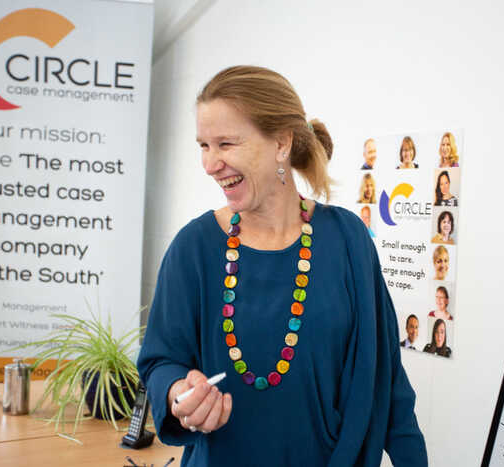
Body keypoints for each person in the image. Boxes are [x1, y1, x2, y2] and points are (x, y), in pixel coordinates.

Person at [137, 66, 427, 467]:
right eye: (204, 145)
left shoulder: (347, 240)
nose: (209, 163)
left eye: (226, 143)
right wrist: (177, 394)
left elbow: (389, 383)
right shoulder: (194, 248)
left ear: (281, 143)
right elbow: (159, 361)